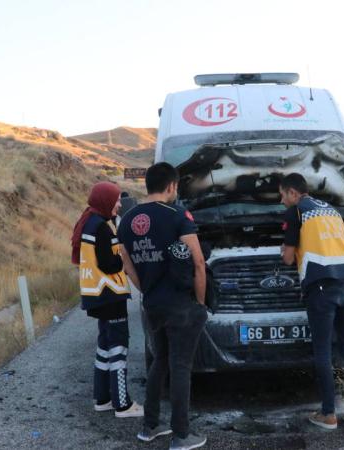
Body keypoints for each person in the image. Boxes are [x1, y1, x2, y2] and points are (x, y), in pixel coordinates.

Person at [118, 162, 208, 450]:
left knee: (160, 361)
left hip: (153, 303)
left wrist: (149, 290)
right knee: (181, 366)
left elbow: (128, 265)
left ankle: (150, 426)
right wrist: (201, 302)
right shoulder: (178, 215)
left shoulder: (128, 219)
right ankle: (182, 435)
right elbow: (197, 263)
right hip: (182, 304)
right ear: (171, 186)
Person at [278, 173, 344, 431]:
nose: (281, 200)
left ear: (293, 193)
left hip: (322, 288)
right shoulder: (330, 210)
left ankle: (328, 414)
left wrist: (284, 249)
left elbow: (288, 258)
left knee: (322, 351)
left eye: (282, 195)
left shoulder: (296, 212)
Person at [70, 181, 144, 418]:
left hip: (97, 298)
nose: (119, 204)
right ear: (105, 201)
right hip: (110, 296)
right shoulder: (101, 227)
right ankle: (123, 404)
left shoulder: (89, 223)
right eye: (116, 200)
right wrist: (124, 256)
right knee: (118, 347)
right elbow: (109, 264)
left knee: (104, 347)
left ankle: (102, 399)